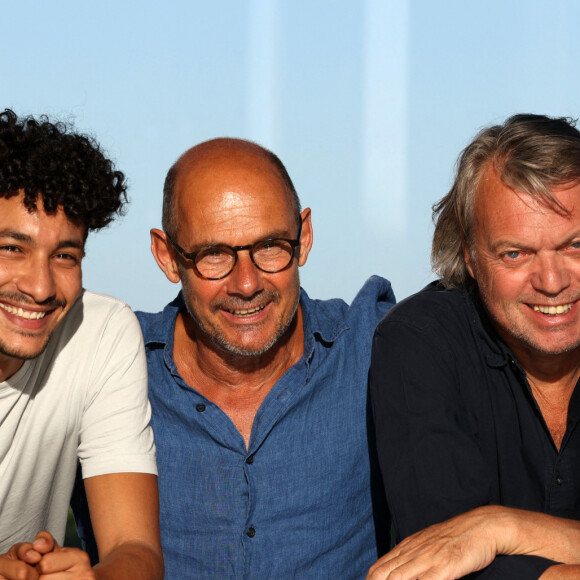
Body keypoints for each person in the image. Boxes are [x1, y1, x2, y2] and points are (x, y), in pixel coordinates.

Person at [111, 137, 394, 578]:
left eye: (269, 247)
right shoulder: (110, 367)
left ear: (304, 237)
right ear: (167, 257)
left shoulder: (379, 348)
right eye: (214, 255)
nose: (246, 284)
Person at [368, 114, 580, 579]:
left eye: (575, 245)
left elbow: (472, 546)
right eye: (515, 254)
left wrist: (498, 527)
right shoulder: (421, 343)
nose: (552, 282)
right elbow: (445, 564)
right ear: (468, 255)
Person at [0, 109, 163, 580]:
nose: (41, 287)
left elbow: (135, 550)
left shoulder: (102, 332)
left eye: (65, 255)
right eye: (13, 247)